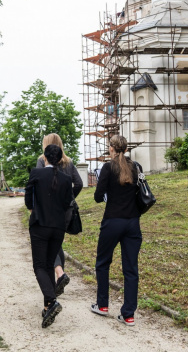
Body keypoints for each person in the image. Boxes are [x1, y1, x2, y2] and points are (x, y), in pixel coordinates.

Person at [90, 135, 143, 326]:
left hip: (112, 221)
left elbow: (97, 197)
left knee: (103, 262)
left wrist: (106, 193)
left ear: (111, 148)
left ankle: (102, 305)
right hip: (132, 222)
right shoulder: (136, 167)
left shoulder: (107, 167)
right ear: (126, 149)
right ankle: (128, 314)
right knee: (131, 269)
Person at [25, 144, 74, 328]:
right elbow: (67, 201)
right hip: (58, 228)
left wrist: (34, 210)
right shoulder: (66, 178)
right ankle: (47, 307)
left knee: (39, 265)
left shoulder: (36, 174)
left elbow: (28, 198)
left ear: (44, 158)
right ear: (60, 159)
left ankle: (52, 301)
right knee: (48, 264)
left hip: (40, 225)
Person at [34, 134, 83, 296]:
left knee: (49, 243)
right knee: (58, 241)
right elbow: (79, 183)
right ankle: (59, 280)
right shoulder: (68, 162)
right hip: (64, 210)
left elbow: (39, 183)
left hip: (48, 209)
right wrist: (68, 197)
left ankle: (60, 273)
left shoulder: (43, 160)